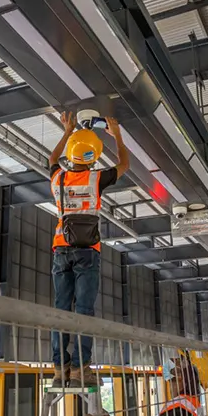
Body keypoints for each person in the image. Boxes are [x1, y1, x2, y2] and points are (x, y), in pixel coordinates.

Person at [48, 111, 129, 386]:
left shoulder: (57, 178)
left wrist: (67, 131)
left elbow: (51, 160)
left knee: (61, 308)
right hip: (88, 252)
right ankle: (81, 369)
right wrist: (116, 134)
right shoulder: (97, 179)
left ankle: (60, 368)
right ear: (93, 157)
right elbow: (124, 164)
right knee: (84, 309)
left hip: (61, 249)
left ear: (70, 154)